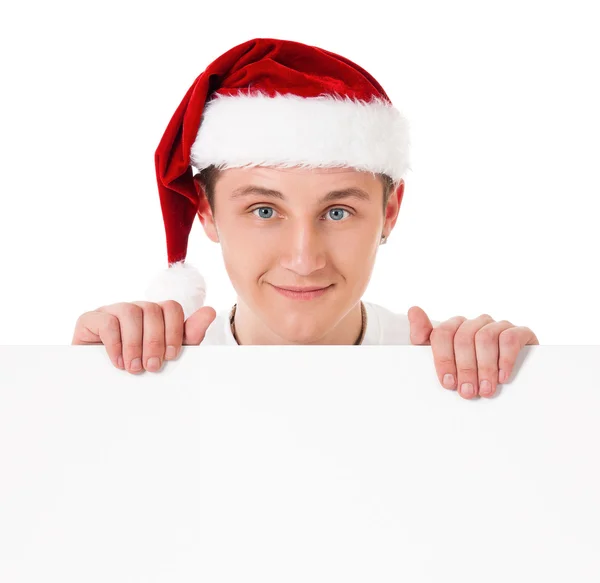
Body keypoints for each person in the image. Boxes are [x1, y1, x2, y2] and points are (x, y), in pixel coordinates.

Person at [72, 38, 539, 399]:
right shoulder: (155, 371)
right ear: (207, 212)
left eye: (338, 211)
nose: (304, 258)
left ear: (389, 213)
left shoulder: (442, 367)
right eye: (264, 210)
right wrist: (75, 390)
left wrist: (530, 390)